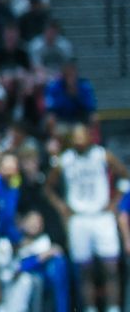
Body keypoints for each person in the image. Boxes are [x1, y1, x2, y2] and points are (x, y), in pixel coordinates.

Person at [46, 124, 126, 312]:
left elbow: (124, 176)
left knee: (111, 267)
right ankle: (89, 309)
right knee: (84, 270)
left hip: (101, 216)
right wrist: (62, 207)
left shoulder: (102, 155)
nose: (79, 140)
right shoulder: (65, 159)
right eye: (75, 136)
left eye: (82, 136)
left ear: (90, 137)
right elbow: (48, 187)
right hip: (79, 218)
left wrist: (115, 202)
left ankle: (113, 308)